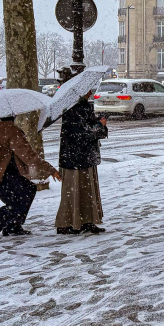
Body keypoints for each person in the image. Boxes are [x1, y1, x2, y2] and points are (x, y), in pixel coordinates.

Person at [0, 117, 61, 241]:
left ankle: (13, 226)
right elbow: (28, 155)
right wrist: (51, 170)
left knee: (29, 189)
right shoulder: (9, 128)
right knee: (17, 203)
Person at [56, 90, 108, 235]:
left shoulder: (83, 106)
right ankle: (68, 223)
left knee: (86, 190)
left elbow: (87, 129)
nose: (90, 92)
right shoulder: (74, 108)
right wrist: (99, 126)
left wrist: (99, 124)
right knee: (74, 190)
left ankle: (85, 221)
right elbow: (83, 134)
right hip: (75, 157)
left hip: (83, 156)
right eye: (87, 90)